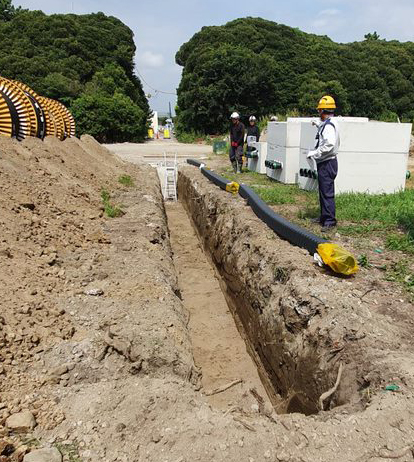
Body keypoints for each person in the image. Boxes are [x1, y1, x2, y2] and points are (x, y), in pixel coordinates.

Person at [307, 95, 340, 232]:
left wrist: (314, 153)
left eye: (319, 111)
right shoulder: (330, 123)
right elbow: (326, 131)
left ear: (322, 111)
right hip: (327, 162)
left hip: (327, 163)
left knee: (327, 192)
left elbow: (329, 144)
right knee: (323, 191)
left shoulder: (328, 126)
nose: (318, 113)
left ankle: (330, 221)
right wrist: (318, 124)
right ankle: (324, 217)